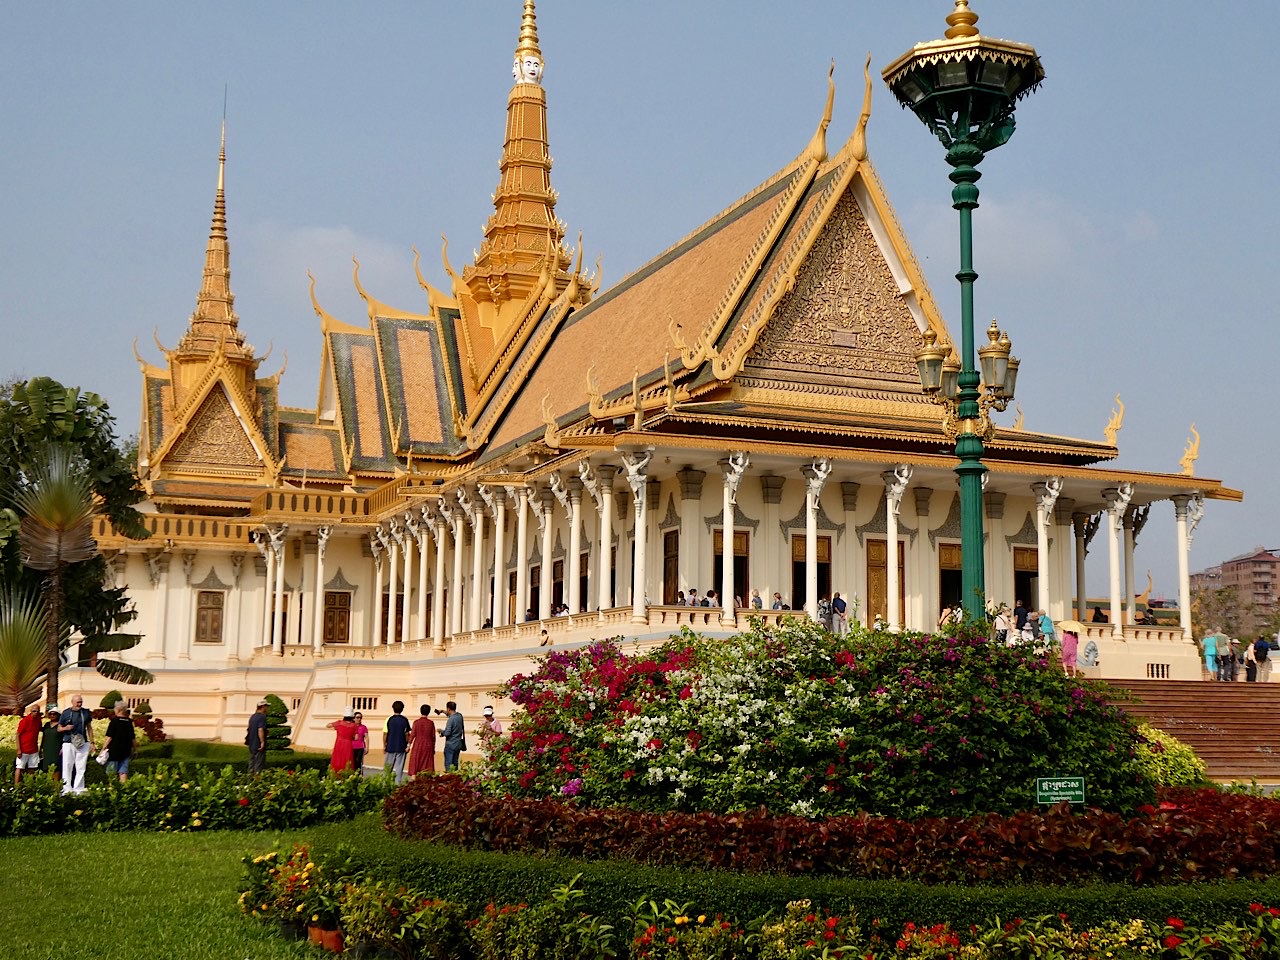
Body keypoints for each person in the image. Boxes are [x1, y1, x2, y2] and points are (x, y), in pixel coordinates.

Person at [57, 694, 94, 795]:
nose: (79, 704)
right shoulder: (66, 713)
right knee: (67, 766)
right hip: (68, 742)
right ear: (72, 702)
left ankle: (78, 787)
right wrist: (66, 728)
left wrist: (92, 742)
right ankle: (67, 788)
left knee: (81, 766)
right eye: (77, 702)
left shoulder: (85, 713)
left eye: (81, 702)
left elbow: (89, 727)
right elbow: (59, 728)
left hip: (82, 742)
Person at [102, 700, 136, 782]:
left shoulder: (114, 721)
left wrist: (104, 748)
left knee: (111, 772)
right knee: (123, 772)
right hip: (126, 750)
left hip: (114, 750)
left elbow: (110, 736)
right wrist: (135, 749)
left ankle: (112, 790)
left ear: (118, 709)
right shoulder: (129, 722)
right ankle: (123, 791)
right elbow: (132, 737)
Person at [384, 700, 411, 783]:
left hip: (390, 746)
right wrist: (408, 744)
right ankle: (397, 784)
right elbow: (407, 733)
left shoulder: (389, 719)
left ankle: (386, 783)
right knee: (399, 768)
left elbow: (386, 733)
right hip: (401, 745)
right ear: (402, 709)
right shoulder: (404, 720)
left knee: (388, 768)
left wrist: (384, 744)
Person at [15, 703, 41, 785]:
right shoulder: (25, 720)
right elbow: (17, 735)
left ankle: (29, 785)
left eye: (37, 711)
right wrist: (19, 749)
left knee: (32, 768)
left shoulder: (38, 721)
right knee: (19, 767)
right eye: (34, 711)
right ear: (30, 711)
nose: (36, 713)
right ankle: (16, 786)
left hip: (33, 749)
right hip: (24, 749)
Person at [326, 706, 357, 773]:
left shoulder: (339, 723)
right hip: (348, 745)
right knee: (347, 760)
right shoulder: (354, 726)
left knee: (337, 759)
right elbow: (356, 737)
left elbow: (328, 725)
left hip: (339, 743)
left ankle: (335, 775)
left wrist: (336, 727)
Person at [407, 705, 436, 776]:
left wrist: (408, 745)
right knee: (426, 765)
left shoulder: (416, 722)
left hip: (418, 744)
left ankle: (414, 783)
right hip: (428, 745)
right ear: (428, 712)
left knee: (415, 764)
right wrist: (433, 748)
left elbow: (412, 735)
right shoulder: (431, 723)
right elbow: (433, 737)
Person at [246, 698, 269, 774]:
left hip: (252, 744)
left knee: (251, 765)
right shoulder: (262, 717)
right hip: (258, 744)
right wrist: (262, 742)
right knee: (258, 766)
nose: (267, 708)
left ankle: (249, 782)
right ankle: (256, 783)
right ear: (263, 706)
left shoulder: (253, 717)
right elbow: (260, 729)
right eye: (266, 706)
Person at [441, 701, 465, 771]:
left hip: (450, 744)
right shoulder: (459, 716)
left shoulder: (450, 719)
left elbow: (447, 733)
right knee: (455, 763)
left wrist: (441, 731)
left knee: (449, 764)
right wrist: (442, 711)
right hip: (458, 744)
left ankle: (449, 778)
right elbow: (451, 714)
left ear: (448, 709)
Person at [40, 706, 61, 782]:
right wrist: (41, 748)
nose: (52, 715)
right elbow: (44, 737)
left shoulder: (61, 725)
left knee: (56, 767)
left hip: (56, 748)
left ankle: (56, 786)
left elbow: (65, 738)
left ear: (58, 715)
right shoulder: (46, 725)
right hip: (47, 748)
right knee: (47, 766)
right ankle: (49, 784)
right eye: (50, 714)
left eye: (54, 714)